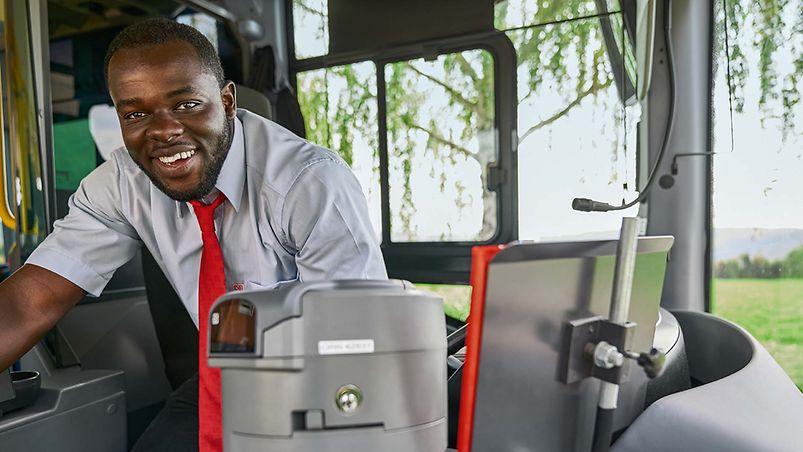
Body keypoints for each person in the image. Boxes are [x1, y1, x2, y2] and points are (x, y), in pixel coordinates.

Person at [0, 17, 386, 452]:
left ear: (227, 100)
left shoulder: (309, 184)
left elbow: (351, 346)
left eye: (186, 105)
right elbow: (31, 302)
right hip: (215, 380)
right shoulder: (122, 184)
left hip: (310, 380)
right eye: (137, 113)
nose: (164, 131)